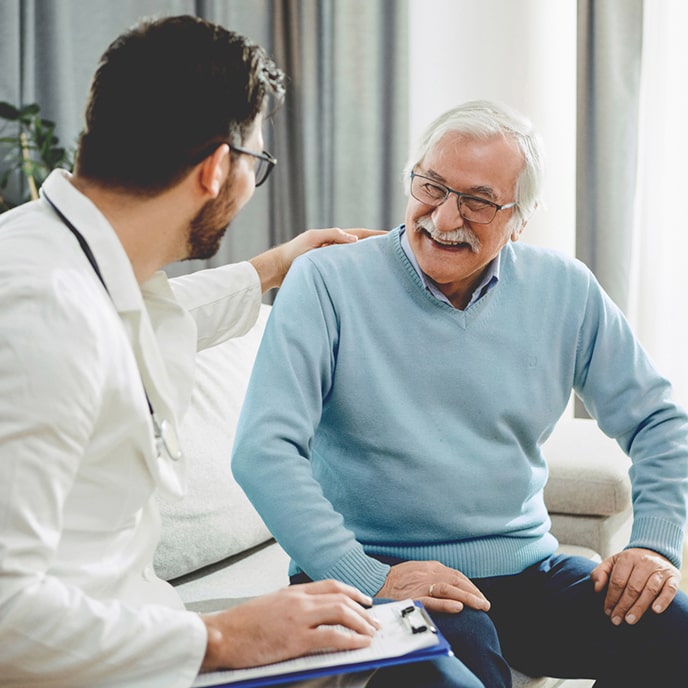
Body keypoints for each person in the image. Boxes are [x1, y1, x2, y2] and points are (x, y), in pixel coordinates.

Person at [0, 15, 482, 688]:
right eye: (256, 164)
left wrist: (273, 267)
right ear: (216, 169)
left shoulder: (61, 258)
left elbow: (139, 321)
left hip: (141, 633)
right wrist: (221, 637)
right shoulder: (41, 312)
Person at [232, 99, 688, 687]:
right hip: (375, 579)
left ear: (519, 219)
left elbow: (658, 419)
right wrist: (368, 576)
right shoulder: (326, 281)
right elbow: (263, 450)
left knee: (674, 630)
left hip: (526, 573)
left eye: (477, 201)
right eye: (431, 186)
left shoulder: (565, 289)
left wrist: (654, 544)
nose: (445, 217)